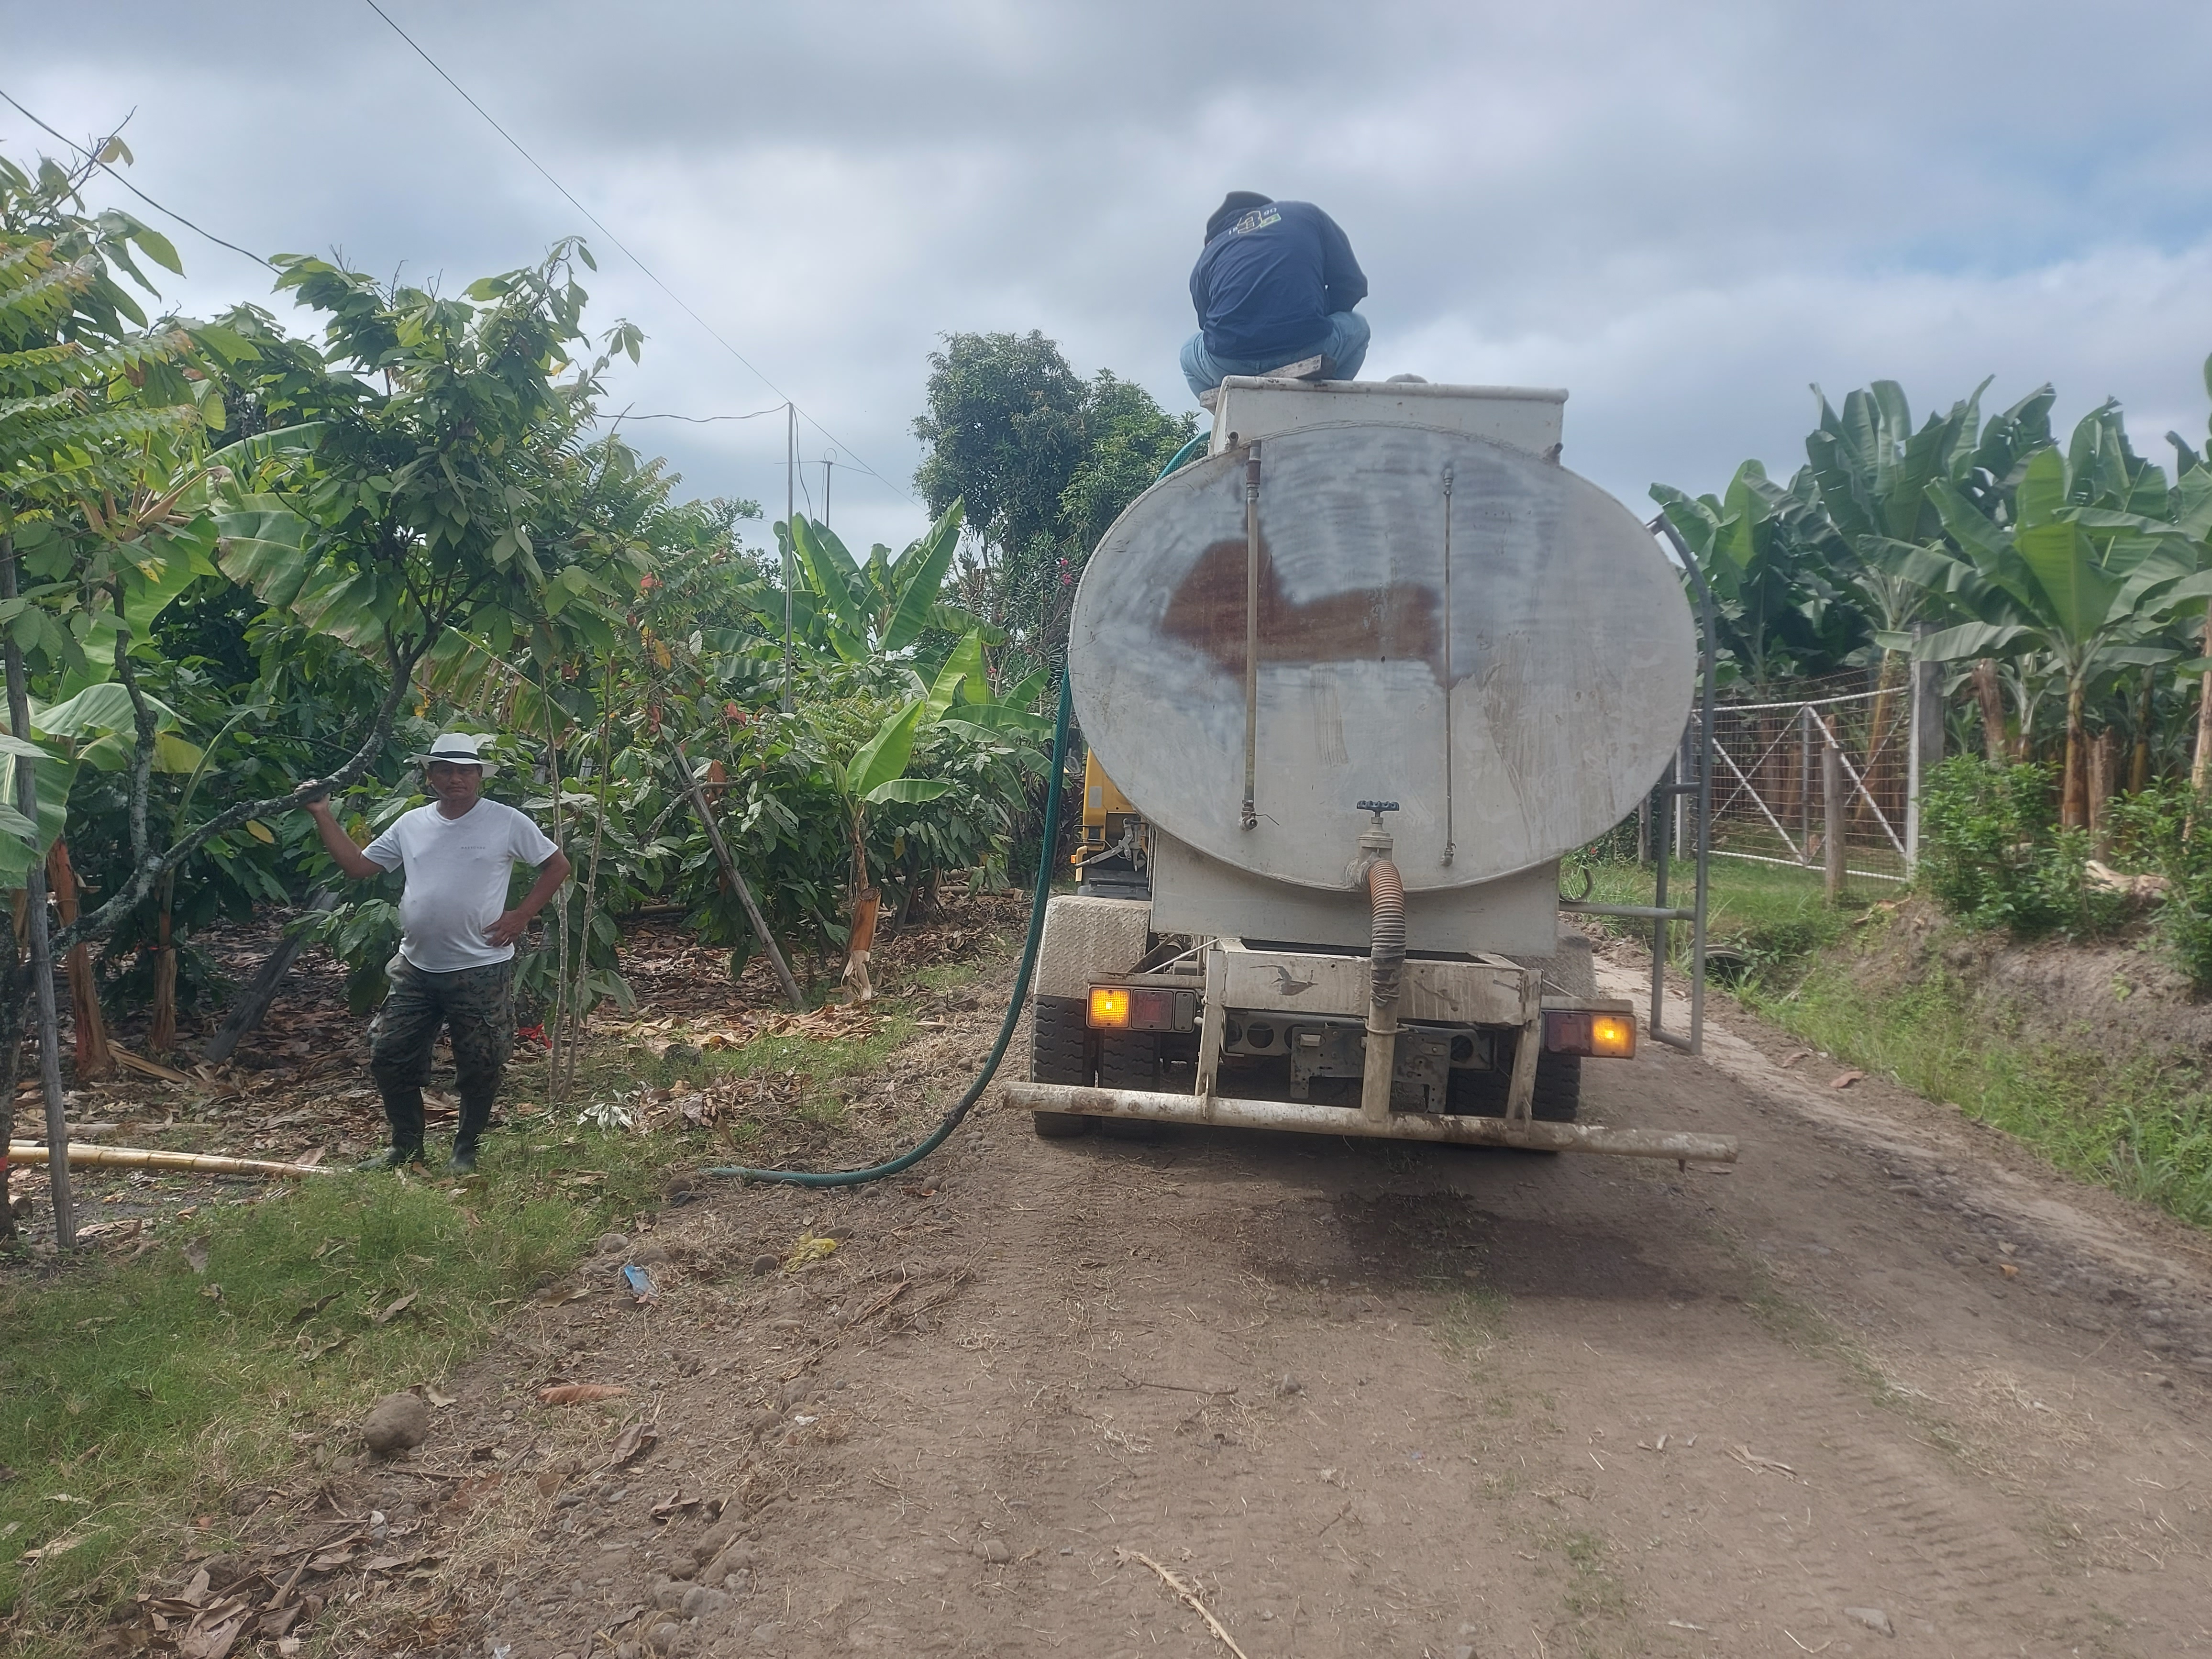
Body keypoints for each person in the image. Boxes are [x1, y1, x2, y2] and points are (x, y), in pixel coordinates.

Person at [303, 731, 571, 1174]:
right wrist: (322, 813)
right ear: (430, 776)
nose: (455, 779)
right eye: (445, 770)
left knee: (481, 1061)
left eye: (465, 771)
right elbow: (358, 866)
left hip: (480, 966)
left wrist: (522, 915)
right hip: (416, 966)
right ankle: (406, 1147)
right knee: (389, 1053)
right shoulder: (412, 824)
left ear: (480, 776)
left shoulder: (505, 821)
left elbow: (557, 865)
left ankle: (466, 1151)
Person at [1181, 191, 1371, 399]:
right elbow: (1352, 285)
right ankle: (1326, 405)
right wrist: (1313, 318)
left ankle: (1228, 415)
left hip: (1229, 362)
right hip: (1309, 345)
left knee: (1187, 354)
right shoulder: (1305, 214)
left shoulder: (1209, 252)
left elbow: (1207, 325)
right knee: (1359, 327)